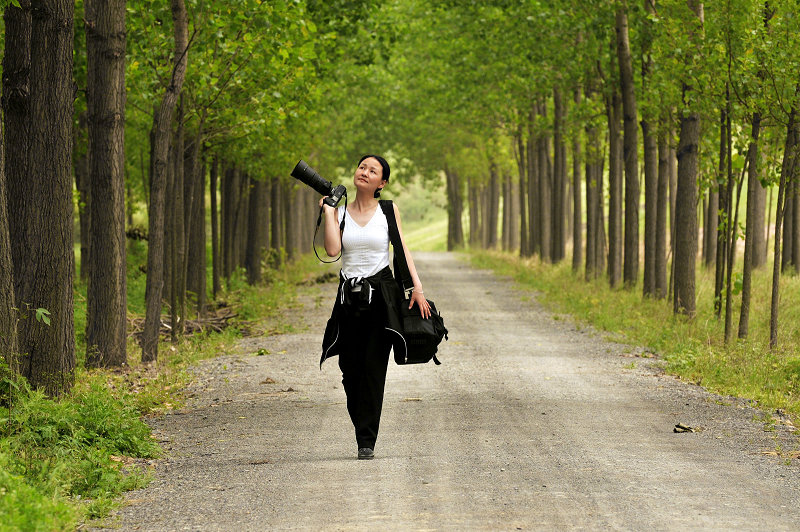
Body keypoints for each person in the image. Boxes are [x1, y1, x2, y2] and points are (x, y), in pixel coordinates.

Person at [319, 154, 430, 460]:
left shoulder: (388, 210)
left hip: (381, 297)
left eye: (372, 170)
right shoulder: (340, 211)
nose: (364, 172)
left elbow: (402, 249)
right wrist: (329, 213)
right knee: (349, 370)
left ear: (382, 183)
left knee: (373, 368)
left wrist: (416, 288)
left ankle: (365, 439)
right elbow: (332, 250)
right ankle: (362, 424)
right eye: (362, 167)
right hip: (349, 299)